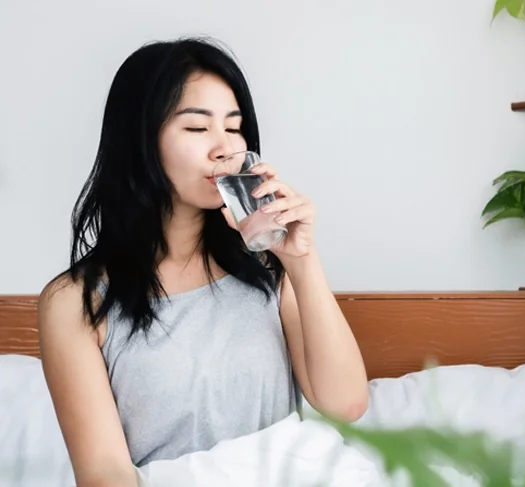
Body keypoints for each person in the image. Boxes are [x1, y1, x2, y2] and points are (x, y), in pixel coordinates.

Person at [37, 36, 369, 487]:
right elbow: (105, 475)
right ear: (140, 140)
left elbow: (346, 404)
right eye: (197, 129)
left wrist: (302, 263)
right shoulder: (75, 301)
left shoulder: (269, 269)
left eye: (234, 128)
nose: (223, 147)